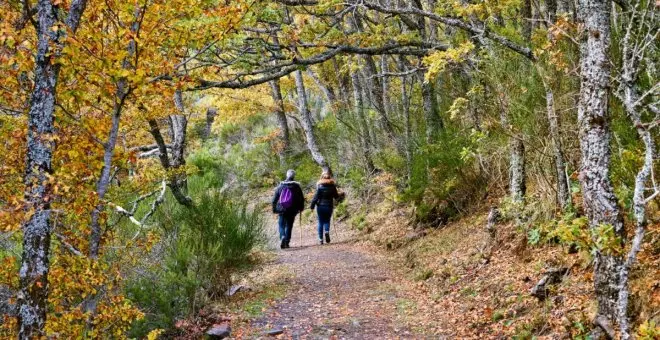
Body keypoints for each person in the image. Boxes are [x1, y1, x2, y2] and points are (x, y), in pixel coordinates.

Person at [272, 169, 305, 249]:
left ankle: (282, 236)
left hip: (282, 209)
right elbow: (301, 199)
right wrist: (301, 208)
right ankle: (287, 242)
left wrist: (274, 209)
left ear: (287, 175)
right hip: (292, 210)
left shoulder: (280, 186)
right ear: (294, 176)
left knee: (281, 225)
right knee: (289, 226)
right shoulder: (297, 186)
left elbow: (274, 200)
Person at [310, 172, 341, 245]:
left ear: (322, 177)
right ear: (330, 178)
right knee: (327, 220)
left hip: (320, 206)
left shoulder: (319, 186)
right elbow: (336, 197)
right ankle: (326, 231)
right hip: (329, 206)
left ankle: (321, 239)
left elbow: (315, 198)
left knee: (320, 222)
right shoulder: (333, 186)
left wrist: (312, 206)